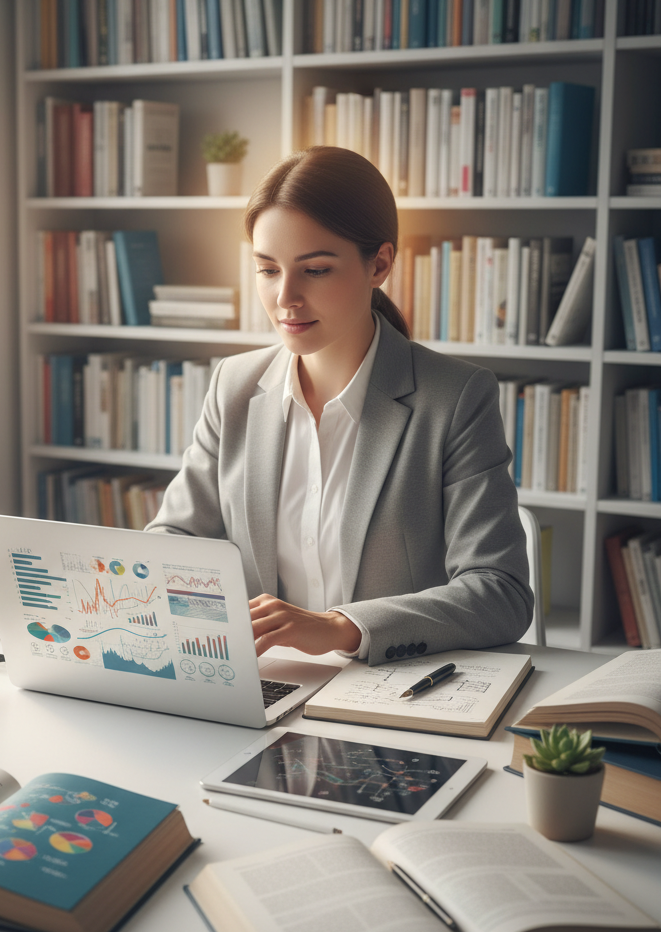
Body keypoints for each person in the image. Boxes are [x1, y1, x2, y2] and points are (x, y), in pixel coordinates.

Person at [146, 146, 532, 666]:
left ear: (380, 263)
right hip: (261, 685)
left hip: (392, 690)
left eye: (317, 270)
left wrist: (341, 628)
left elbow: (500, 592)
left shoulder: (455, 397)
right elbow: (173, 541)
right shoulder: (234, 385)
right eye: (267, 269)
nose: (286, 298)